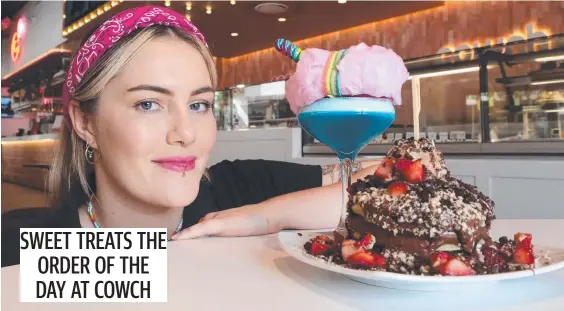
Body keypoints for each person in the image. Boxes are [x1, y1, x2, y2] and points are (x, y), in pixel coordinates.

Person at [1, 6, 380, 267]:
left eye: (199, 105)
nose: (185, 133)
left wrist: (260, 219)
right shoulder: (18, 247)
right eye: (148, 104)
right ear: (85, 124)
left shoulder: (238, 189)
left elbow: (411, 173)